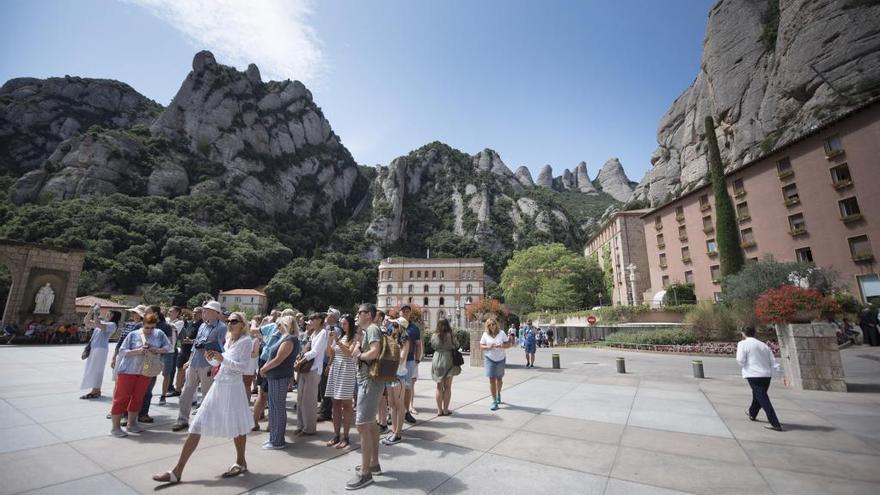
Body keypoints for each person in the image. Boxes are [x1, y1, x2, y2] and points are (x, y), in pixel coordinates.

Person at [152, 312, 253, 484]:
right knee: (197, 423)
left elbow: (242, 367)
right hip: (219, 384)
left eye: (234, 321)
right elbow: (222, 363)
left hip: (233, 388)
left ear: (242, 324)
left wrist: (222, 359)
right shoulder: (228, 339)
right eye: (228, 321)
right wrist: (212, 359)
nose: (230, 324)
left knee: (237, 427)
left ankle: (241, 461)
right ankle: (177, 471)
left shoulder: (246, 341)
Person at [110, 313, 172, 437]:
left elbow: (169, 347)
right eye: (147, 327)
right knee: (121, 398)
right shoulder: (133, 334)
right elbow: (122, 351)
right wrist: (137, 351)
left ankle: (131, 424)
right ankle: (115, 427)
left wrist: (157, 350)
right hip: (128, 370)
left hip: (146, 369)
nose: (149, 330)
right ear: (142, 324)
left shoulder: (159, 333)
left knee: (138, 397)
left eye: (152, 327)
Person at [173, 300, 227, 432]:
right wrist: (190, 360)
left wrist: (207, 346)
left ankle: (205, 420)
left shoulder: (222, 327)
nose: (204, 312)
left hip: (207, 363)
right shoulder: (203, 325)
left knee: (207, 393)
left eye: (207, 310)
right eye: (203, 310)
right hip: (195, 362)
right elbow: (195, 344)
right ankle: (182, 419)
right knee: (186, 391)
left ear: (216, 313)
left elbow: (221, 346)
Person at [347, 303, 383, 490]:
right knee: (370, 424)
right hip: (370, 380)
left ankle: (365, 472)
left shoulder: (373, 329)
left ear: (368, 314)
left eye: (359, 312)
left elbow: (375, 352)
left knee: (362, 424)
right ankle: (373, 464)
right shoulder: (368, 331)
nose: (357, 315)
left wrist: (360, 355)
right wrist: (359, 345)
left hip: (369, 381)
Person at [258, 315, 300, 449]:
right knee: (274, 407)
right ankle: (274, 438)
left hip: (279, 377)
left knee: (277, 408)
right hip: (275, 376)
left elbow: (279, 359)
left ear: (286, 324)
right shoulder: (285, 338)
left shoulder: (289, 339)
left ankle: (277, 440)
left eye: (279, 324)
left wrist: (264, 368)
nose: (277, 327)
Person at [736, 326, 783, 431]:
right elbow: (772, 360)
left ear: (743, 333)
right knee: (758, 395)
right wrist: (779, 371)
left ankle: (775, 423)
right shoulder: (763, 345)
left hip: (753, 374)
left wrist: (746, 365)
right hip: (766, 375)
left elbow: (740, 360)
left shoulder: (742, 344)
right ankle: (752, 413)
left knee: (762, 398)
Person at [324, 313, 359, 449]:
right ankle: (336, 435)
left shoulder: (354, 337)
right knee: (336, 403)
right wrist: (329, 341)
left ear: (350, 324)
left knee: (346, 404)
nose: (342, 325)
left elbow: (349, 353)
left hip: (346, 370)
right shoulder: (342, 336)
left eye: (345, 323)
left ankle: (346, 436)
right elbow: (330, 353)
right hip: (336, 369)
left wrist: (337, 341)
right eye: (341, 323)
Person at [295, 313, 329, 436]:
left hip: (313, 369)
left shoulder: (323, 333)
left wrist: (301, 361)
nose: (310, 321)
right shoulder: (313, 333)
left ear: (319, 320)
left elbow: (315, 352)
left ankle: (309, 428)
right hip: (305, 368)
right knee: (300, 398)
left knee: (308, 400)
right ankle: (301, 425)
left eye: (312, 319)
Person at [138, 305, 172, 423]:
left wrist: (157, 350)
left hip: (149, 364)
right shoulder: (137, 328)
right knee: (134, 390)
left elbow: (169, 346)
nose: (144, 314)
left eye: (147, 312)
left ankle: (143, 413)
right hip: (135, 364)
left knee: (147, 388)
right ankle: (127, 414)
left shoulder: (162, 330)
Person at [380, 318, 410, 446]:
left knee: (399, 404)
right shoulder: (392, 338)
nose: (393, 327)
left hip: (399, 374)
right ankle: (393, 431)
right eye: (393, 324)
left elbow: (402, 358)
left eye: (395, 325)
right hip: (390, 373)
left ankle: (398, 433)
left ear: (401, 327)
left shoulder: (405, 341)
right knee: (391, 404)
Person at [252, 311, 283, 430]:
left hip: (265, 359)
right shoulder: (288, 331)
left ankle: (255, 422)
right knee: (271, 395)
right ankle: (269, 424)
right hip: (274, 361)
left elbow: (254, 331)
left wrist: (254, 323)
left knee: (262, 394)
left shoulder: (272, 326)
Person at [80, 310, 121, 399]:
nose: (106, 314)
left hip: (101, 349)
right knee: (91, 368)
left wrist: (96, 313)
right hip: (94, 348)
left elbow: (98, 324)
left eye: (108, 313)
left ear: (113, 315)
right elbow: (86, 322)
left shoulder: (112, 325)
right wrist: (90, 312)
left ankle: (96, 390)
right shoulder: (103, 322)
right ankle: (94, 390)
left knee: (97, 369)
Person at [430, 318, 461, 416]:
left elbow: (433, 346)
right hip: (448, 359)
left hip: (437, 359)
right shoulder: (450, 335)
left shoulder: (434, 335)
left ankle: (439, 410)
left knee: (439, 387)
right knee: (448, 387)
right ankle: (446, 410)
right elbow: (457, 345)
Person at [480, 318, 511, 411]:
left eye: (493, 324)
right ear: (487, 326)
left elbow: (508, 344)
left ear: (496, 324)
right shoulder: (485, 334)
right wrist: (487, 347)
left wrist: (502, 346)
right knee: (492, 380)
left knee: (499, 379)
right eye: (489, 325)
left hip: (500, 359)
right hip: (489, 359)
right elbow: (481, 346)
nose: (491, 326)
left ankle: (498, 393)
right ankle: (494, 401)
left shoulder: (501, 333)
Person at [319, 307, 343, 422]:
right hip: (323, 361)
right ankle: (324, 408)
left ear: (333, 317)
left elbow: (333, 351)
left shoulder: (336, 330)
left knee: (326, 388)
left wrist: (329, 365)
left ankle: (326, 412)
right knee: (322, 387)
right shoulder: (327, 327)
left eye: (328, 315)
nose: (326, 317)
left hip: (328, 362)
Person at [399, 304, 421, 425]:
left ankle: (406, 411)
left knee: (407, 386)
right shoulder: (394, 325)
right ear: (400, 312)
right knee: (394, 387)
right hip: (395, 362)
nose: (405, 313)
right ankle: (393, 412)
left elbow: (418, 344)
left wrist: (417, 358)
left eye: (407, 311)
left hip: (409, 361)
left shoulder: (414, 328)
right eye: (403, 311)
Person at [159, 306, 184, 404]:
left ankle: (164, 395)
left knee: (167, 373)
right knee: (150, 370)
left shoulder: (180, 322)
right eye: (168, 311)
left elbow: (171, 327)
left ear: (177, 313)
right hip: (159, 349)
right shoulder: (167, 320)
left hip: (169, 350)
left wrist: (162, 321)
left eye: (171, 311)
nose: (169, 313)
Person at [174, 307, 202, 394]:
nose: (194, 314)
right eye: (194, 312)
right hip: (183, 349)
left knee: (192, 373)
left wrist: (191, 341)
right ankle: (177, 389)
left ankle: (190, 392)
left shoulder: (202, 325)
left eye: (197, 312)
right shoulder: (188, 323)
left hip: (193, 351)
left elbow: (202, 339)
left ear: (201, 314)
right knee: (180, 369)